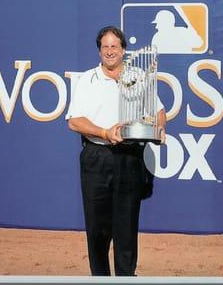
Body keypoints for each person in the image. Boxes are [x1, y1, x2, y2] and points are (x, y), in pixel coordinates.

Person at [66, 26, 166, 276]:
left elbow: (159, 111)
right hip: (96, 157)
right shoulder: (87, 80)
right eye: (105, 47)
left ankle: (125, 278)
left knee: (126, 228)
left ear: (123, 50)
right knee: (97, 230)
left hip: (129, 158)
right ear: (99, 51)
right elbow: (74, 121)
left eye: (114, 46)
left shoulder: (139, 76)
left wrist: (160, 128)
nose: (110, 51)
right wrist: (104, 133)